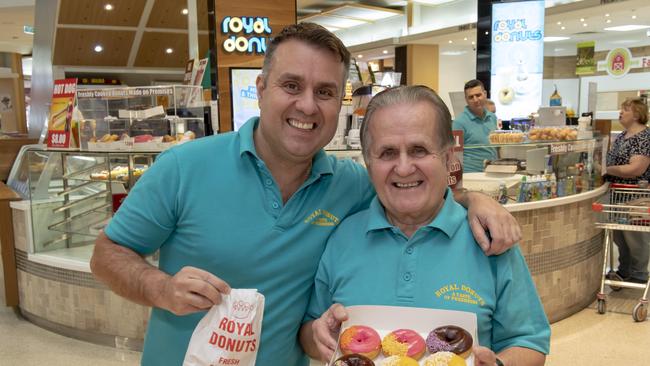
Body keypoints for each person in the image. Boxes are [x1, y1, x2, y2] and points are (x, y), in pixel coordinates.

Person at [90, 24, 521, 366]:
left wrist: (476, 200)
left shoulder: (349, 185)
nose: (308, 106)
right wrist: (160, 288)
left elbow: (411, 184)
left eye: (326, 92)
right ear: (261, 89)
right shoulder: (185, 168)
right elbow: (107, 253)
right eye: (291, 86)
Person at [300, 86, 549, 366]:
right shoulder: (342, 237)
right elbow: (309, 332)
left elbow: (530, 343)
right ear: (369, 164)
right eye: (387, 153)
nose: (404, 168)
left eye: (419, 150)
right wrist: (317, 334)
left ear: (448, 157)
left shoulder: (489, 240)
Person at [605, 98, 650, 285]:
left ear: (637, 114)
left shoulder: (644, 137)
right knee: (620, 236)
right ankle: (624, 270)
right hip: (618, 194)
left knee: (636, 238)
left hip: (636, 196)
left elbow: (636, 169)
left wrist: (607, 169)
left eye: (626, 109)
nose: (621, 112)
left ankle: (639, 274)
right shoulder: (623, 135)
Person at [453, 79, 498, 172]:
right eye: (471, 97)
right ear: (466, 100)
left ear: (485, 94)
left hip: (492, 173)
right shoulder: (458, 123)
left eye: (478, 95)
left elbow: (495, 147)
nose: (475, 100)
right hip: (470, 177)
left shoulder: (492, 117)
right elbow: (454, 157)